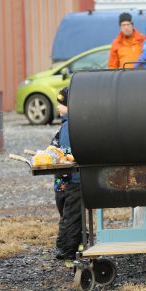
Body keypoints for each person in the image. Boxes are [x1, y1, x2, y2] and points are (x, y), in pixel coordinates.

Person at [50, 87, 82, 260]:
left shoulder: (71, 126)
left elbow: (68, 152)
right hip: (65, 179)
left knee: (70, 215)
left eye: (61, 104)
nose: (58, 107)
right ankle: (68, 245)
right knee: (68, 214)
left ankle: (67, 249)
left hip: (72, 178)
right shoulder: (66, 125)